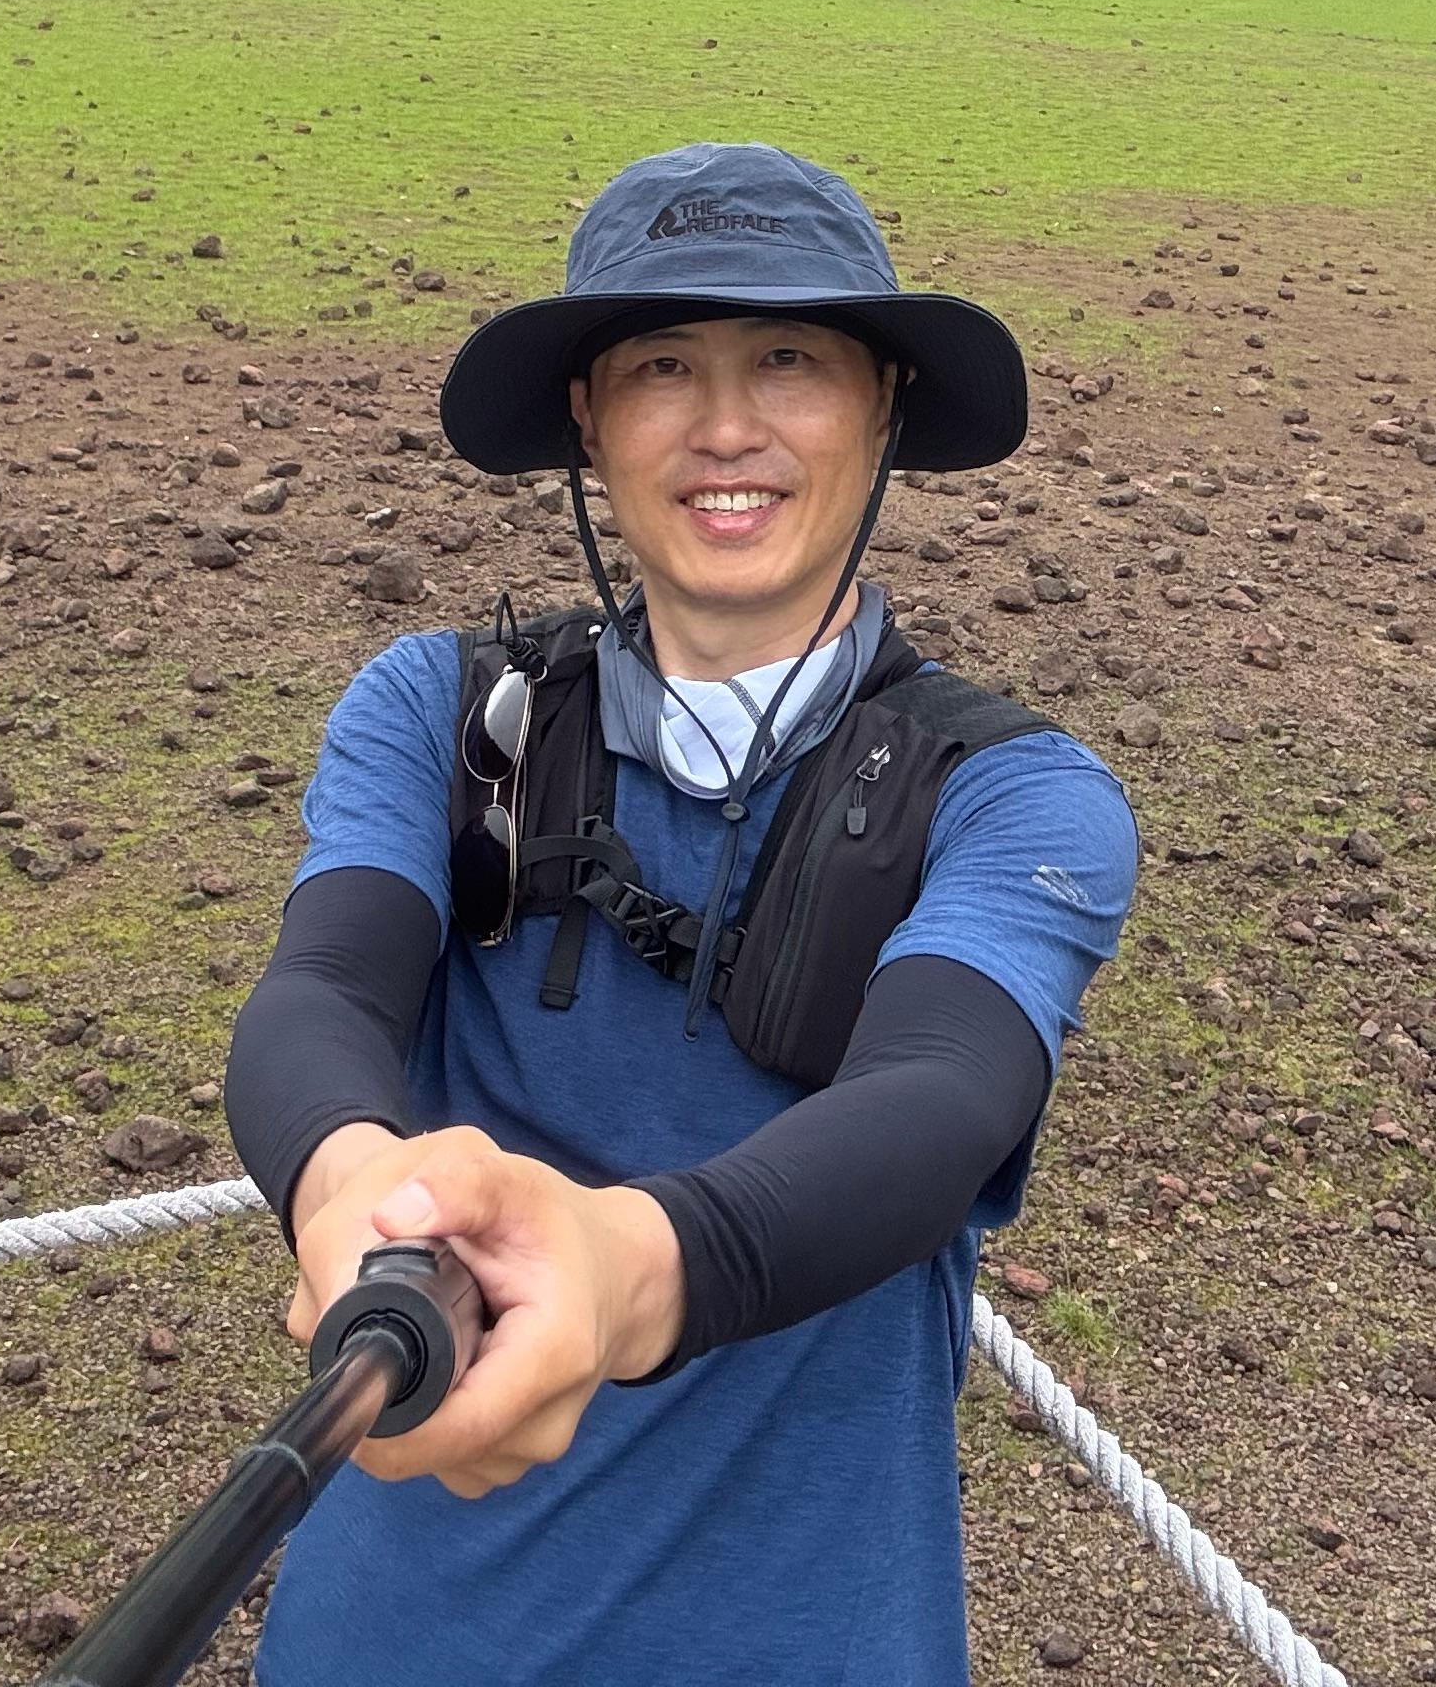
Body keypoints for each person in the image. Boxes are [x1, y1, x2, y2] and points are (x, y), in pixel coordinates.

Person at [221, 141, 1140, 1686]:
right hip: (385, 1638)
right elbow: (324, 989)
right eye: (663, 365)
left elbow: (943, 1096)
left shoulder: (1018, 799)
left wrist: (625, 1269)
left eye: (790, 361)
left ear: (886, 407)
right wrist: (346, 1189)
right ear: (588, 417)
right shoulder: (439, 714)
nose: (726, 426)